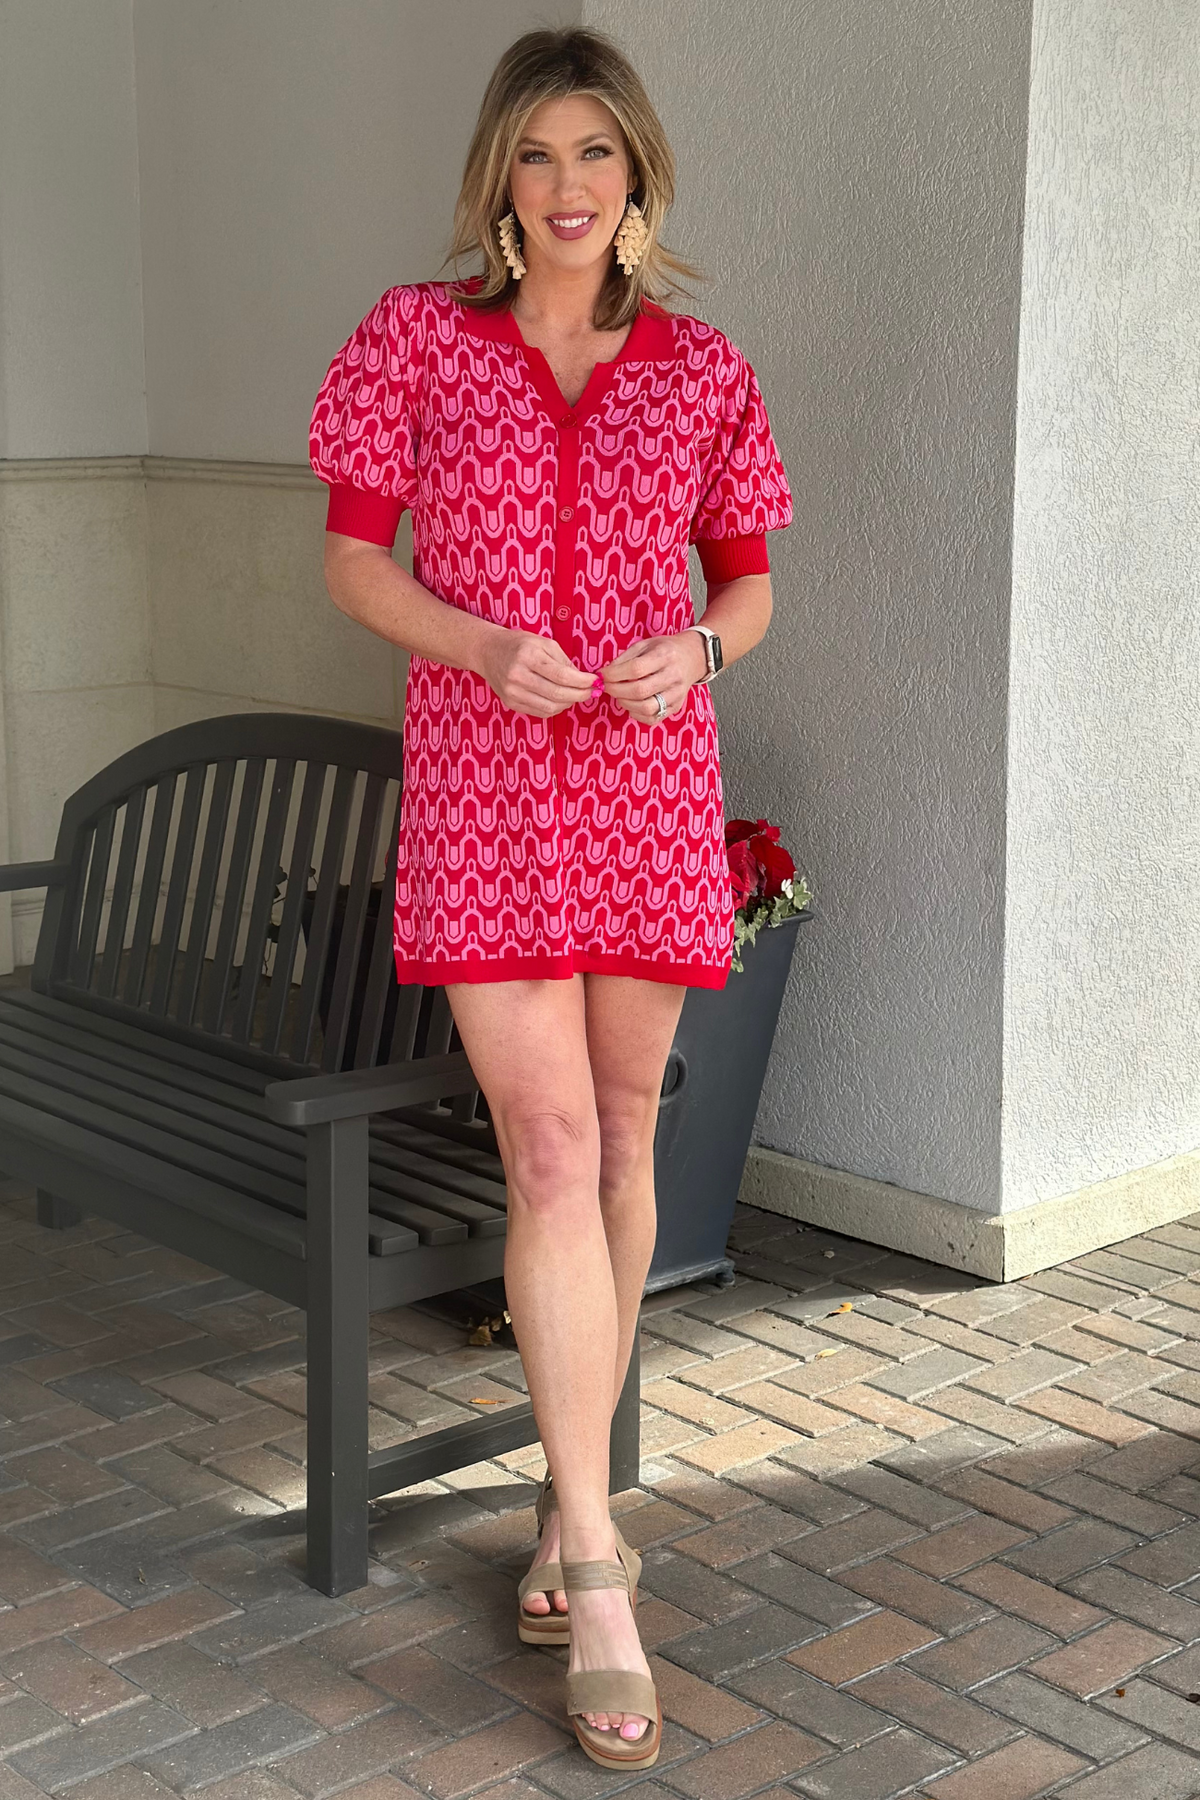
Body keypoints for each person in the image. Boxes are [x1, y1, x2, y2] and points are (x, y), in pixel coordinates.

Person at [310, 25, 791, 1770]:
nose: (570, 187)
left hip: (651, 795)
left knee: (628, 1139)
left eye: (597, 154)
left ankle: (561, 1506)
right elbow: (357, 562)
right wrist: (479, 643)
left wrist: (694, 651)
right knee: (552, 1158)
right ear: (498, 181)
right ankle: (594, 1557)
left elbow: (745, 589)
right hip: (489, 790)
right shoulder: (413, 344)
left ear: (639, 176)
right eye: (538, 156)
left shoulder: (704, 371)